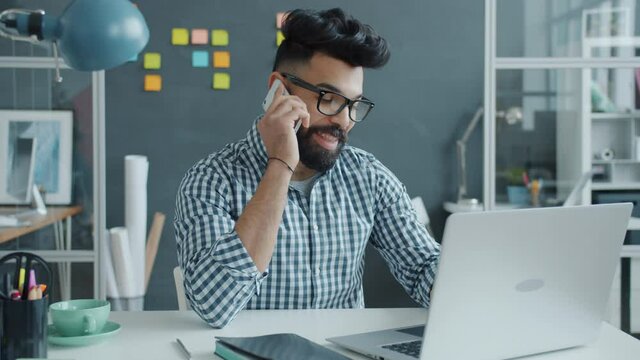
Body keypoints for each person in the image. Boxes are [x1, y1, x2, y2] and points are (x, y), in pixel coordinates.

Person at [174, 8, 440, 328]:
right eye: (329, 98)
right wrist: (280, 164)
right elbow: (214, 306)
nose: (343, 119)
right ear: (279, 90)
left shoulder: (368, 178)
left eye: (354, 104)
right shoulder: (211, 181)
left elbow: (424, 267)